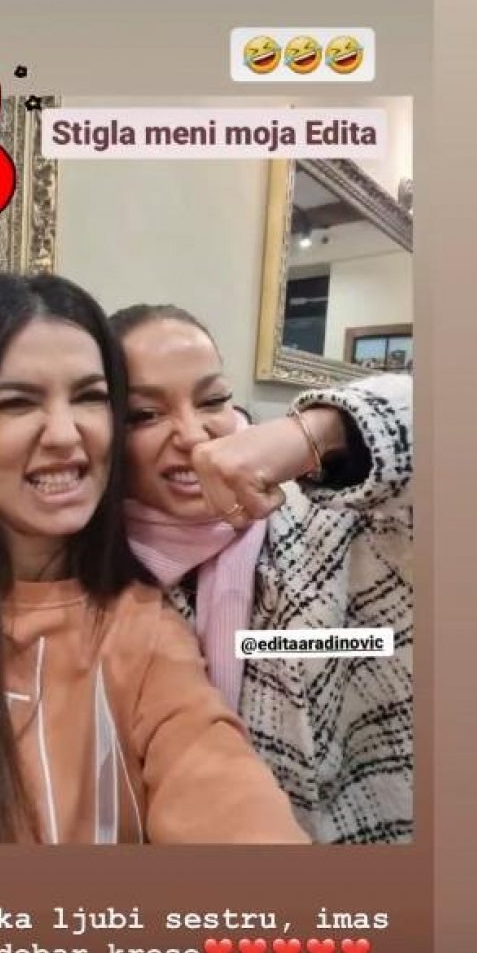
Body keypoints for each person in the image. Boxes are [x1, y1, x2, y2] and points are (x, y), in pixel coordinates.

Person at [0, 274, 307, 846]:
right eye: (16, 402)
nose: (66, 435)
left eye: (90, 397)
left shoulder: (142, 617)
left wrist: (314, 434)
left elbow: (216, 775)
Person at [110, 303, 413, 845]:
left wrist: (322, 429)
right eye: (144, 415)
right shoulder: (100, 580)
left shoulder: (330, 517)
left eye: (212, 400)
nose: (193, 434)